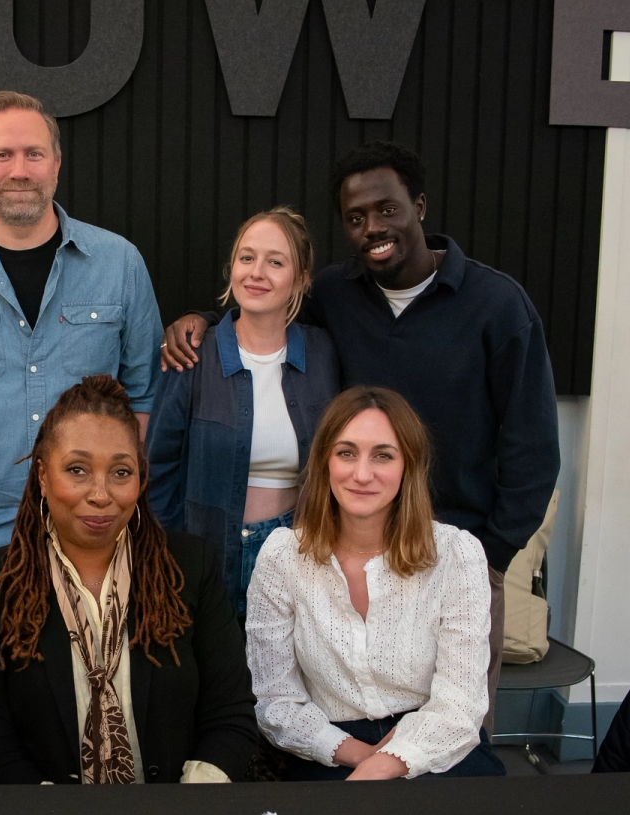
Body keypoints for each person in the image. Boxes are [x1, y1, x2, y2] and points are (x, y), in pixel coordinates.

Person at [163, 142, 560, 735]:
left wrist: (488, 559)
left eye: (387, 209)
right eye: (355, 218)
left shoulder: (497, 305)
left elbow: (534, 449)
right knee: (337, 727)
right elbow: (263, 313)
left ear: (419, 207)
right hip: (350, 555)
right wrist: (199, 322)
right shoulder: (335, 296)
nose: (373, 228)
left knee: (451, 730)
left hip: (454, 554)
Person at [0, 91, 163, 691]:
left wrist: (120, 500)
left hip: (92, 530)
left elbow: (143, 393)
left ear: (56, 164)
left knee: (97, 700)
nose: (19, 170)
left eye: (33, 154)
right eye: (3, 155)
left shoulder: (118, 263)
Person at [0, 375, 258, 784]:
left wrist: (188, 808)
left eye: (120, 472)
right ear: (42, 476)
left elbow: (231, 715)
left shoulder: (189, 567)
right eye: (77, 470)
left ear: (141, 478)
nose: (101, 494)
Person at [246, 386, 504, 780]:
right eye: (346, 453)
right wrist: (357, 757)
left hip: (435, 742)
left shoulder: (456, 554)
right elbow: (276, 702)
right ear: (325, 462)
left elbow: (460, 704)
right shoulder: (282, 557)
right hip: (328, 747)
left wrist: (386, 764)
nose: (362, 474)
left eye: (383, 455)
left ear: (408, 466)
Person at [147, 207, 340, 619]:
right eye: (246, 257)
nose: (257, 272)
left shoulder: (324, 354)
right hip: (207, 554)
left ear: (301, 279)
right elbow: (158, 467)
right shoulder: (192, 354)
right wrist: (163, 556)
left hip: (299, 556)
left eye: (276, 262)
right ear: (231, 267)